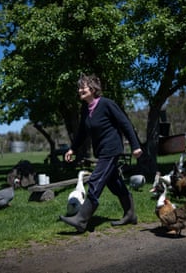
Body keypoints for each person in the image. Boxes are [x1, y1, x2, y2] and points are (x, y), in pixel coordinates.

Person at [59, 74, 143, 233]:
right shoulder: (85, 109)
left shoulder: (106, 104)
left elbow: (125, 123)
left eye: (82, 87)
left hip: (111, 149)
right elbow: (82, 132)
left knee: (96, 180)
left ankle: (81, 219)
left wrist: (135, 145)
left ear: (92, 88)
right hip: (102, 151)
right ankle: (130, 214)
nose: (79, 90)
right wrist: (72, 149)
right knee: (114, 183)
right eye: (79, 88)